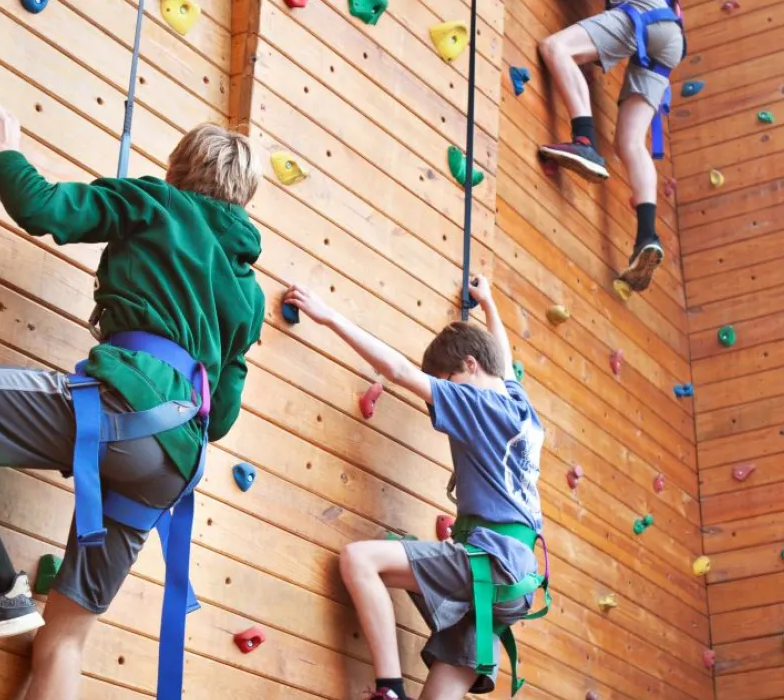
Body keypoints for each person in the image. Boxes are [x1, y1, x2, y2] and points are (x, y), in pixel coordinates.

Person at [0, 101, 265, 700]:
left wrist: (1, 150)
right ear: (244, 196)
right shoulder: (249, 290)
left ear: (179, 168)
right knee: (62, 642)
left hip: (121, 408)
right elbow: (224, 417)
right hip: (173, 465)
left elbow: (44, 208)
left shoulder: (154, 202)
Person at [283, 276, 549, 699]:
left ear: (469, 365)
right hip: (513, 581)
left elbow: (399, 371)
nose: (440, 399)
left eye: (445, 381)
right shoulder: (520, 408)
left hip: (490, 561)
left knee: (360, 560)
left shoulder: (477, 402)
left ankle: (389, 689)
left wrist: (329, 316)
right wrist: (490, 305)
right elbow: (502, 358)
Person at [535, 0, 683, 293]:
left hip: (644, 12)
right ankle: (647, 235)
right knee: (629, 143)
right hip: (670, 36)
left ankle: (584, 138)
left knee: (556, 48)